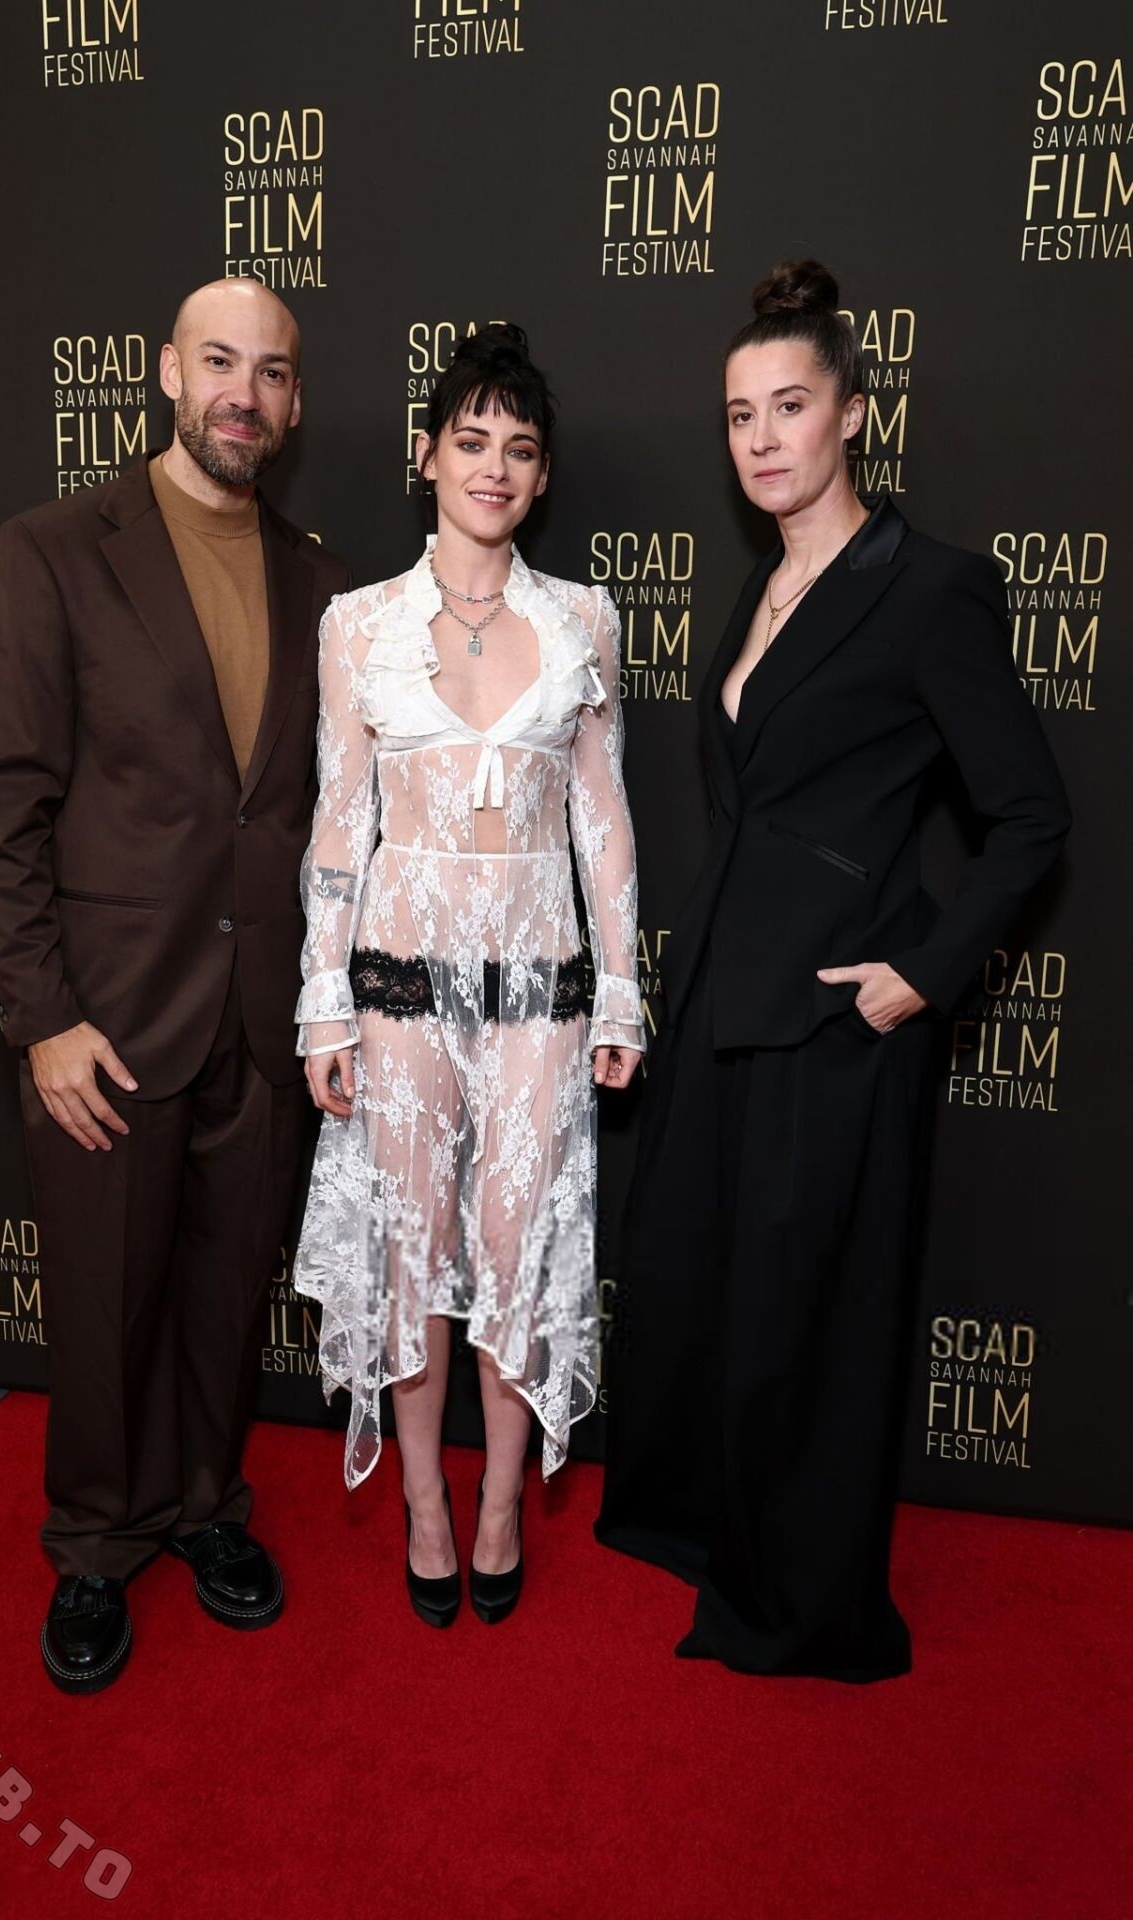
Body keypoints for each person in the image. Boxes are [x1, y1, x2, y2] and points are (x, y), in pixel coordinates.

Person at [595, 261, 1070, 1681]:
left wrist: (921, 971)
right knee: (711, 1292)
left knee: (807, 1319)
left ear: (853, 413)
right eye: (741, 415)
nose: (762, 439)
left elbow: (1030, 816)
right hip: (723, 1001)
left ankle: (803, 1605)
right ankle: (711, 1533)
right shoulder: (761, 585)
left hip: (837, 1024)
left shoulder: (929, 589)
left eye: (790, 406)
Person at [0, 278, 349, 1693]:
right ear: (169, 374)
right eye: (220, 363)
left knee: (226, 1291)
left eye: (272, 372)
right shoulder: (56, 549)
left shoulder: (321, 581)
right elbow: (1, 801)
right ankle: (94, 1543)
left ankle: (202, 1507)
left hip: (262, 1012)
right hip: (107, 1019)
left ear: (293, 402)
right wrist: (43, 1017)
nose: (245, 393)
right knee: (101, 1299)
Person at [293, 324, 643, 1627]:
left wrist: (622, 989)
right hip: (397, 986)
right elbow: (340, 824)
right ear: (427, 454)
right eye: (472, 439)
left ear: (540, 477)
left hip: (540, 988)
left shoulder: (584, 620)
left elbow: (603, 821)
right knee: (413, 1251)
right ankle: (423, 1504)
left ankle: (498, 1500)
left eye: (521, 448)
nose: (494, 467)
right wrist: (323, 1003)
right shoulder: (358, 626)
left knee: (516, 1250)